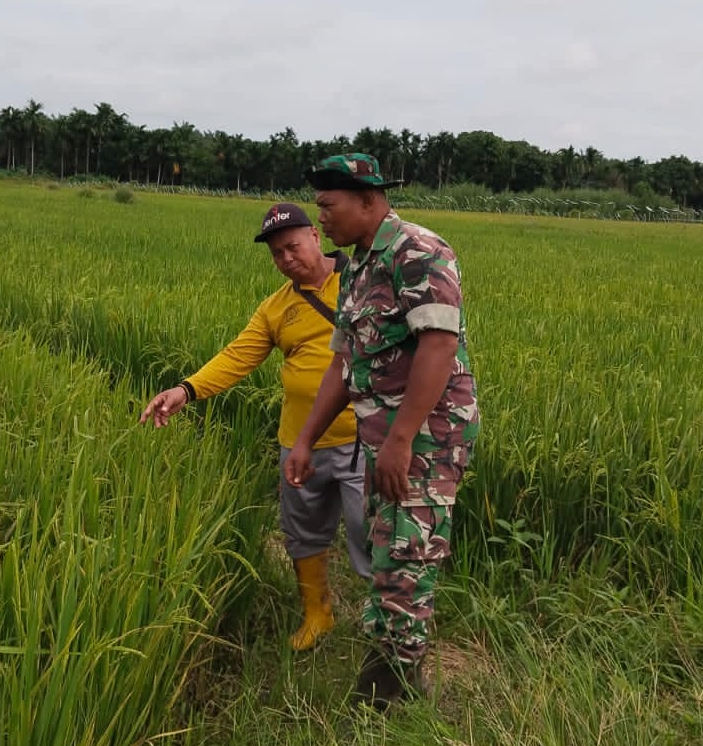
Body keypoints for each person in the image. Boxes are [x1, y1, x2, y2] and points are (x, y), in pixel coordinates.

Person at [285, 153, 479, 710]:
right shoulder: (359, 266)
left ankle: (383, 701)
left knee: (405, 557)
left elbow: (439, 347)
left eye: (328, 206)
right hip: (383, 437)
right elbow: (343, 363)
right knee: (388, 550)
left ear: (368, 199)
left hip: (426, 438)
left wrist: (400, 439)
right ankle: (395, 676)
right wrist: (305, 439)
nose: (321, 218)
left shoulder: (418, 252)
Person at [140, 202, 370, 651]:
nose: (286, 258)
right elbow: (237, 357)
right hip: (299, 443)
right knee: (302, 531)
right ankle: (317, 615)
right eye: (276, 254)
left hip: (362, 441)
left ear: (315, 238)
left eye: (292, 246)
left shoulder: (361, 283)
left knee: (372, 531)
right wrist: (186, 390)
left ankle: (388, 625)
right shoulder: (276, 308)